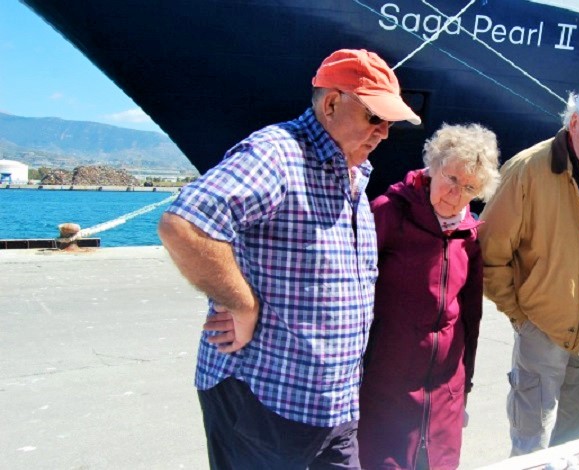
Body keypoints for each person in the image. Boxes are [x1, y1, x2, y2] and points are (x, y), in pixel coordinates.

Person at [156, 49, 421, 468]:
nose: (385, 132)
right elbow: (185, 224)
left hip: (332, 406)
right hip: (266, 401)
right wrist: (241, 303)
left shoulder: (353, 173)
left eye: (390, 122)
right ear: (332, 103)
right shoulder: (278, 154)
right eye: (375, 117)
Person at [479, 83, 579, 455]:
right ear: (575, 121)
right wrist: (521, 316)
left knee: (578, 440)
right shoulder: (527, 170)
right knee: (532, 440)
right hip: (543, 328)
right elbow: (488, 252)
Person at [357, 123, 500, 470]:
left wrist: (463, 386)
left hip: (444, 395)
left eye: (468, 188)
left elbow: (470, 319)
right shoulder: (388, 213)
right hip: (386, 386)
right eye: (451, 179)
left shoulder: (469, 234)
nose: (455, 195)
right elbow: (349, 296)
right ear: (432, 167)